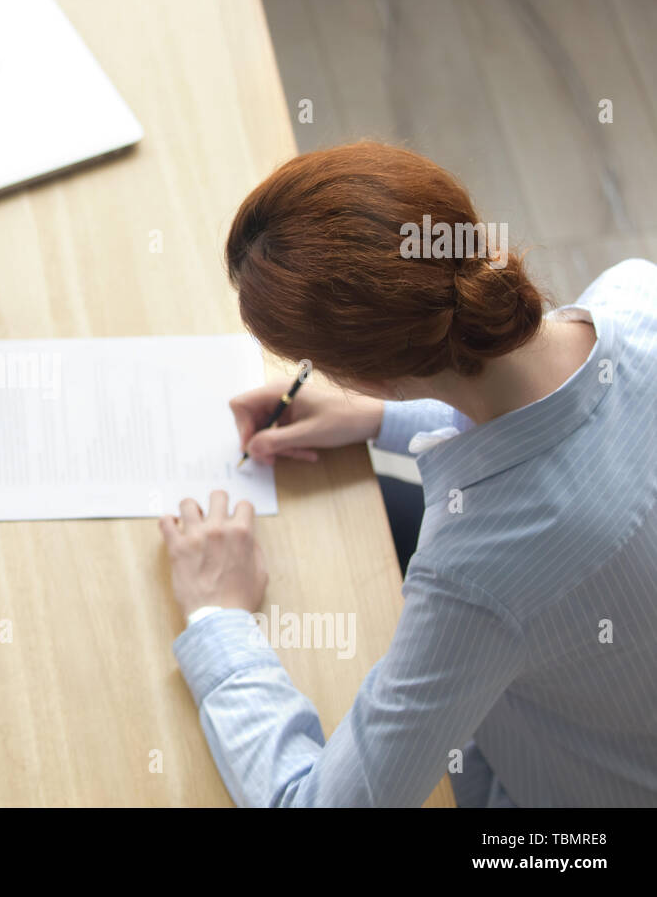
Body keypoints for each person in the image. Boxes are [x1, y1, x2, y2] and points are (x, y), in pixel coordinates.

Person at [159, 141, 657, 806]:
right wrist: (375, 416)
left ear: (368, 374)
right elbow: (556, 413)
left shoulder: (478, 575)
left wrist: (217, 617)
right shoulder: (637, 291)